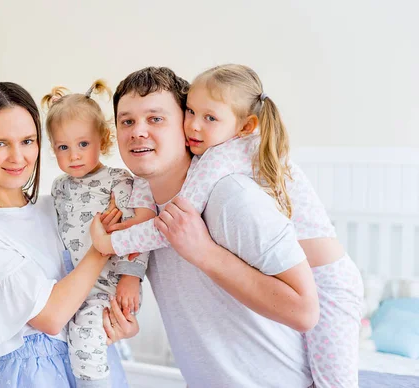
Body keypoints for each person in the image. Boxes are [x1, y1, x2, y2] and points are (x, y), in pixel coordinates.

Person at [95, 64, 364, 387]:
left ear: (183, 127)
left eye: (156, 118)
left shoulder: (231, 198)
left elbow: (305, 312)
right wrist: (126, 323)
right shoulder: (141, 204)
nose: (137, 131)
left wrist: (204, 252)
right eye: (127, 121)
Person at [0, 82, 128, 387]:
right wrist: (101, 247)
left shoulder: (52, 207)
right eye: (0, 143)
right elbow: (51, 317)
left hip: (94, 359)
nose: (18, 157)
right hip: (37, 375)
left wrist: (120, 326)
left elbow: (89, 293)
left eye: (27, 141)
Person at [41, 80, 154, 387]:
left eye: (83, 144)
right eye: (63, 147)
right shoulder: (59, 188)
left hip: (112, 285)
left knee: (87, 341)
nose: (74, 155)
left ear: (102, 141)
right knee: (71, 341)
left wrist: (132, 277)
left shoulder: (119, 181)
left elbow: (139, 232)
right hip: (75, 285)